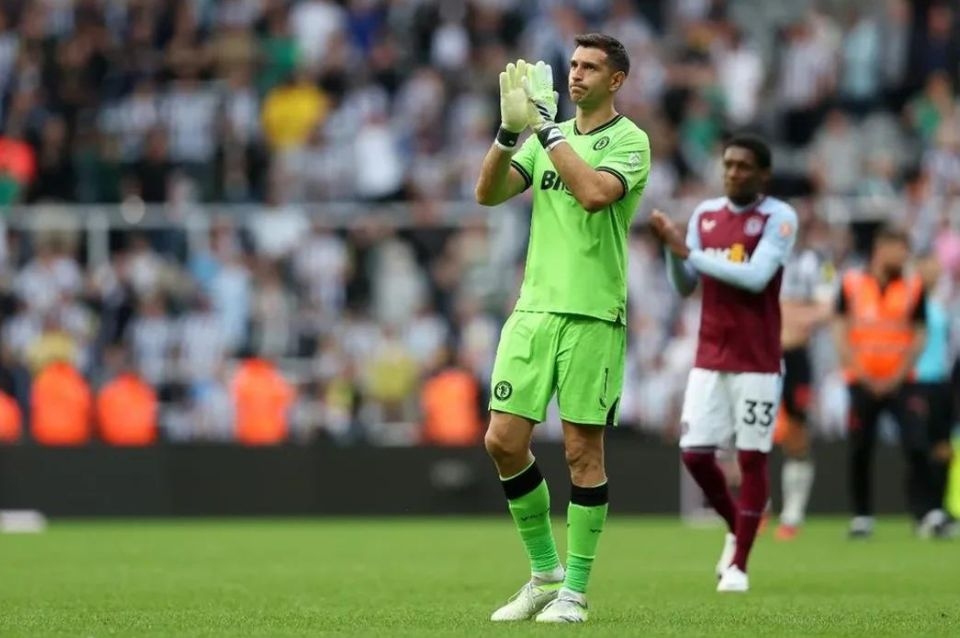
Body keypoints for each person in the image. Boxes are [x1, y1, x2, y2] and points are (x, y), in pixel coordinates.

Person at [474, 34, 650, 623]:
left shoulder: (630, 140)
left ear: (616, 80)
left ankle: (574, 591)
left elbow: (595, 194)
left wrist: (547, 131)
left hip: (593, 313)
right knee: (502, 440)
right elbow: (487, 194)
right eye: (573, 65)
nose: (575, 75)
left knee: (581, 452)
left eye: (590, 67)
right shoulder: (545, 137)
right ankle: (544, 572)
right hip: (533, 309)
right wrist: (508, 134)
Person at [650, 134, 798, 593]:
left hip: (758, 360)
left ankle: (739, 566)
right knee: (694, 455)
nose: (733, 172)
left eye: (743, 166)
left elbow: (756, 278)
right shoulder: (706, 215)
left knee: (752, 459)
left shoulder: (778, 217)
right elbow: (684, 285)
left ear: (763, 174)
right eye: (728, 164)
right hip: (710, 355)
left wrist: (688, 252)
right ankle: (739, 526)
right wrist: (672, 250)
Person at [833, 226, 939, 538]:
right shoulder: (852, 283)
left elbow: (919, 334)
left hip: (901, 381)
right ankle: (861, 516)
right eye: (900, 250)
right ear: (881, 249)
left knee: (916, 443)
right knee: (860, 449)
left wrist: (897, 375)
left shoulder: (913, 286)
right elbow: (840, 330)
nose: (904, 257)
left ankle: (926, 513)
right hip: (861, 380)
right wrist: (860, 372)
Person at [772, 216, 838, 540]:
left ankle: (793, 512)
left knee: (797, 431)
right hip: (763, 354)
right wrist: (794, 311)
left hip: (797, 357)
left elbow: (827, 309)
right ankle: (755, 506)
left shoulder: (818, 263)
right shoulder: (764, 258)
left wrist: (786, 312)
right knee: (751, 429)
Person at [902, 254, 954, 538]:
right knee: (919, 447)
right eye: (928, 268)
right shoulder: (910, 303)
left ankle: (938, 509)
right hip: (917, 380)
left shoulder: (940, 304)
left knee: (943, 447)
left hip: (941, 382)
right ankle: (921, 510)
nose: (934, 273)